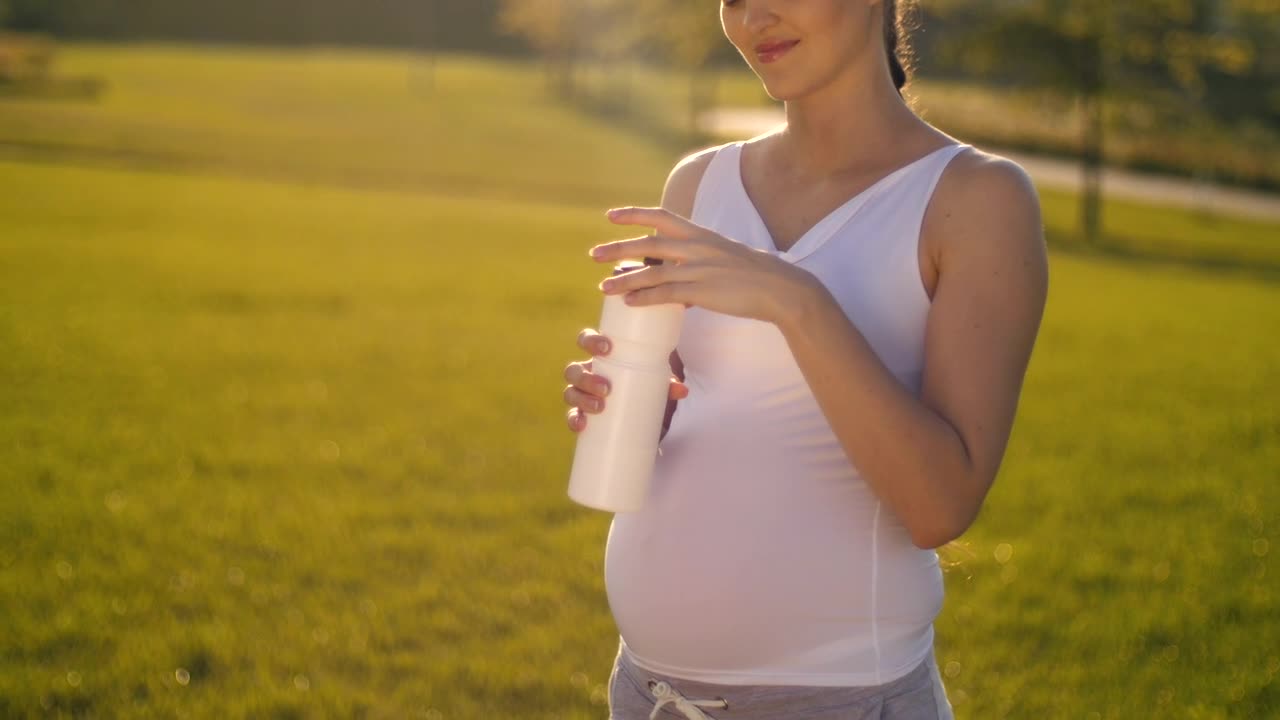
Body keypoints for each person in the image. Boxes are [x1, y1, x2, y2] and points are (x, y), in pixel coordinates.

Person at [561, 0, 1048, 717]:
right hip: (647, 693)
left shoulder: (976, 199)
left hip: (840, 699)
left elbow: (941, 504)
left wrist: (796, 301)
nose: (755, 15)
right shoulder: (697, 184)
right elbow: (731, 414)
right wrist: (647, 409)